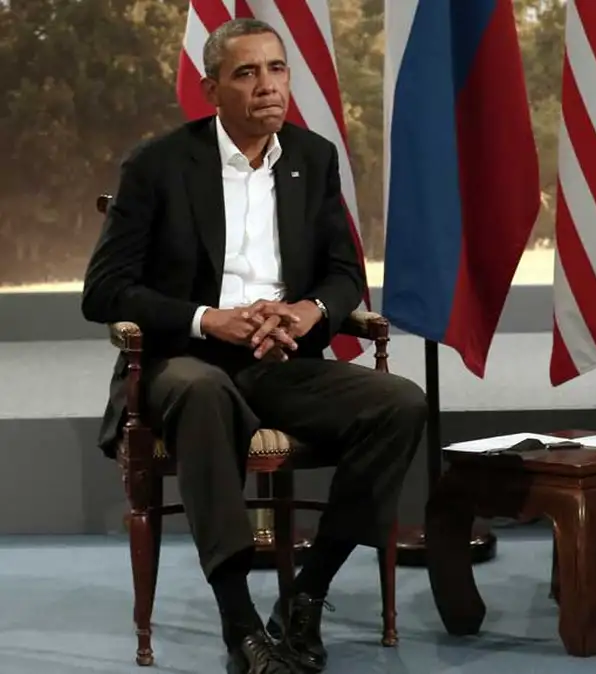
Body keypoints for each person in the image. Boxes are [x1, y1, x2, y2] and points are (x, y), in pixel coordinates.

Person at [81, 18, 427, 674]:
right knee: (202, 391)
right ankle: (240, 625)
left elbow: (343, 274)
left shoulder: (312, 158)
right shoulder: (158, 165)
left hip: (279, 362)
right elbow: (104, 292)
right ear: (211, 89)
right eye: (246, 73)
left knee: (400, 404)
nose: (267, 86)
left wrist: (305, 312)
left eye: (276, 68)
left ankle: (306, 596)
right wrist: (207, 320)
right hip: (184, 361)